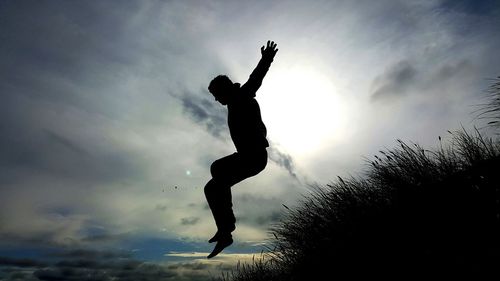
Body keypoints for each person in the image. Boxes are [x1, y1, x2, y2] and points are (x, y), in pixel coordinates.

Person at [204, 40, 278, 258]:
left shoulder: (242, 95)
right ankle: (225, 232)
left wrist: (266, 58)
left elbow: (256, 79)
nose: (216, 100)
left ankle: (227, 228)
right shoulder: (234, 101)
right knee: (212, 187)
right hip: (247, 157)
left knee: (217, 170)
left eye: (217, 95)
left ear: (225, 90)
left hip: (254, 156)